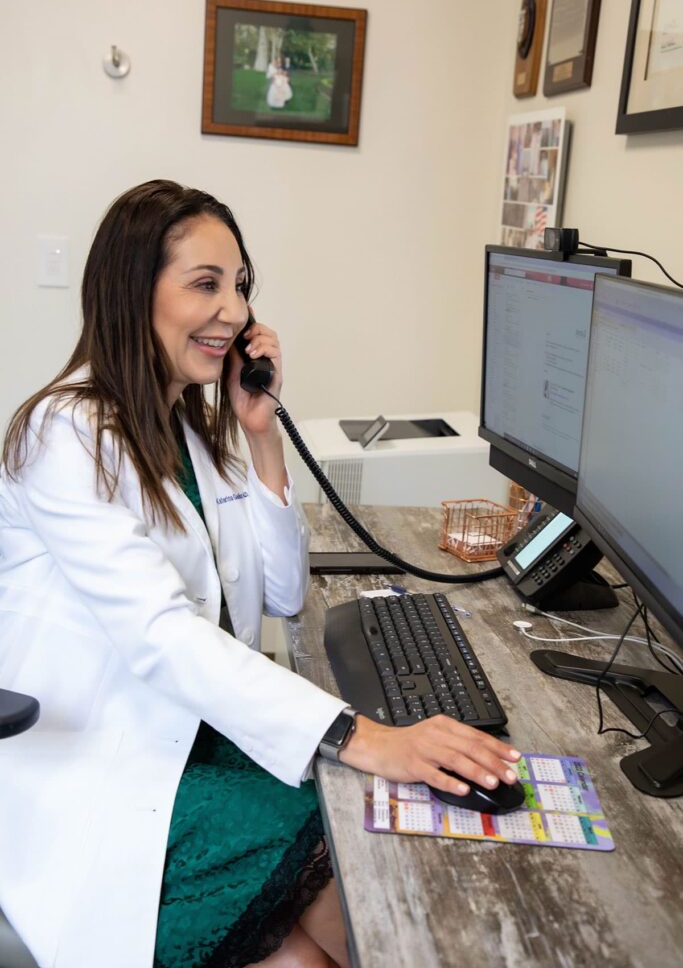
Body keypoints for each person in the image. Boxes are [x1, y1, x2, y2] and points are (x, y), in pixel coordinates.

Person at [0, 180, 520, 968]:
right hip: (99, 761)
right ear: (131, 291)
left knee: (362, 849)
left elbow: (283, 594)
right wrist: (362, 735)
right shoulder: (66, 433)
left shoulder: (187, 428)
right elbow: (160, 637)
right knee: (338, 897)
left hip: (193, 734)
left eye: (239, 286)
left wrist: (263, 435)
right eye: (205, 284)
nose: (235, 312)